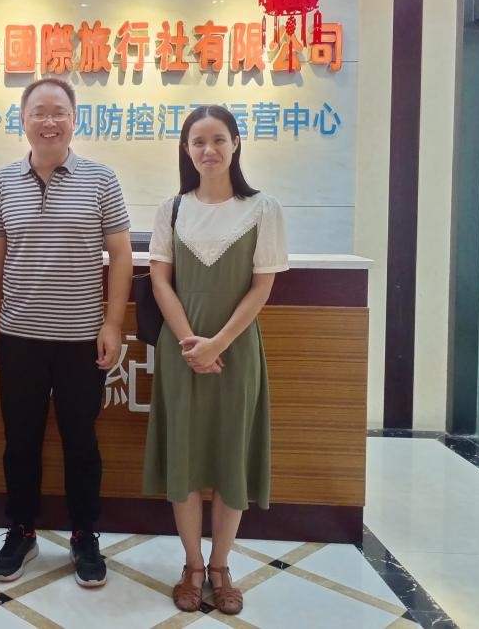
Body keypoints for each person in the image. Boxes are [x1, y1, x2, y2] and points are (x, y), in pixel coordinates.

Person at [0, 77, 132, 588]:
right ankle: (21, 531)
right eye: (39, 112)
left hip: (82, 340)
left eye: (58, 112)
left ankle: (84, 534)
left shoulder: (101, 179)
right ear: (22, 120)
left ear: (74, 119)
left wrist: (112, 323)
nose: (49, 121)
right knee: (19, 441)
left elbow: (121, 255)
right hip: (18, 337)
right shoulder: (3, 182)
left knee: (81, 441)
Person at [142, 104, 288, 615]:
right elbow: (160, 280)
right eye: (198, 141)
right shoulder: (172, 209)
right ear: (185, 150)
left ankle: (221, 566)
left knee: (232, 457)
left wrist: (217, 344)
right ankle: (192, 566)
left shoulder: (263, 208)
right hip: (181, 352)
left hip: (237, 350)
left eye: (219, 139)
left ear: (236, 144)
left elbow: (262, 287)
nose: (209, 150)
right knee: (183, 457)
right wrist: (191, 344)